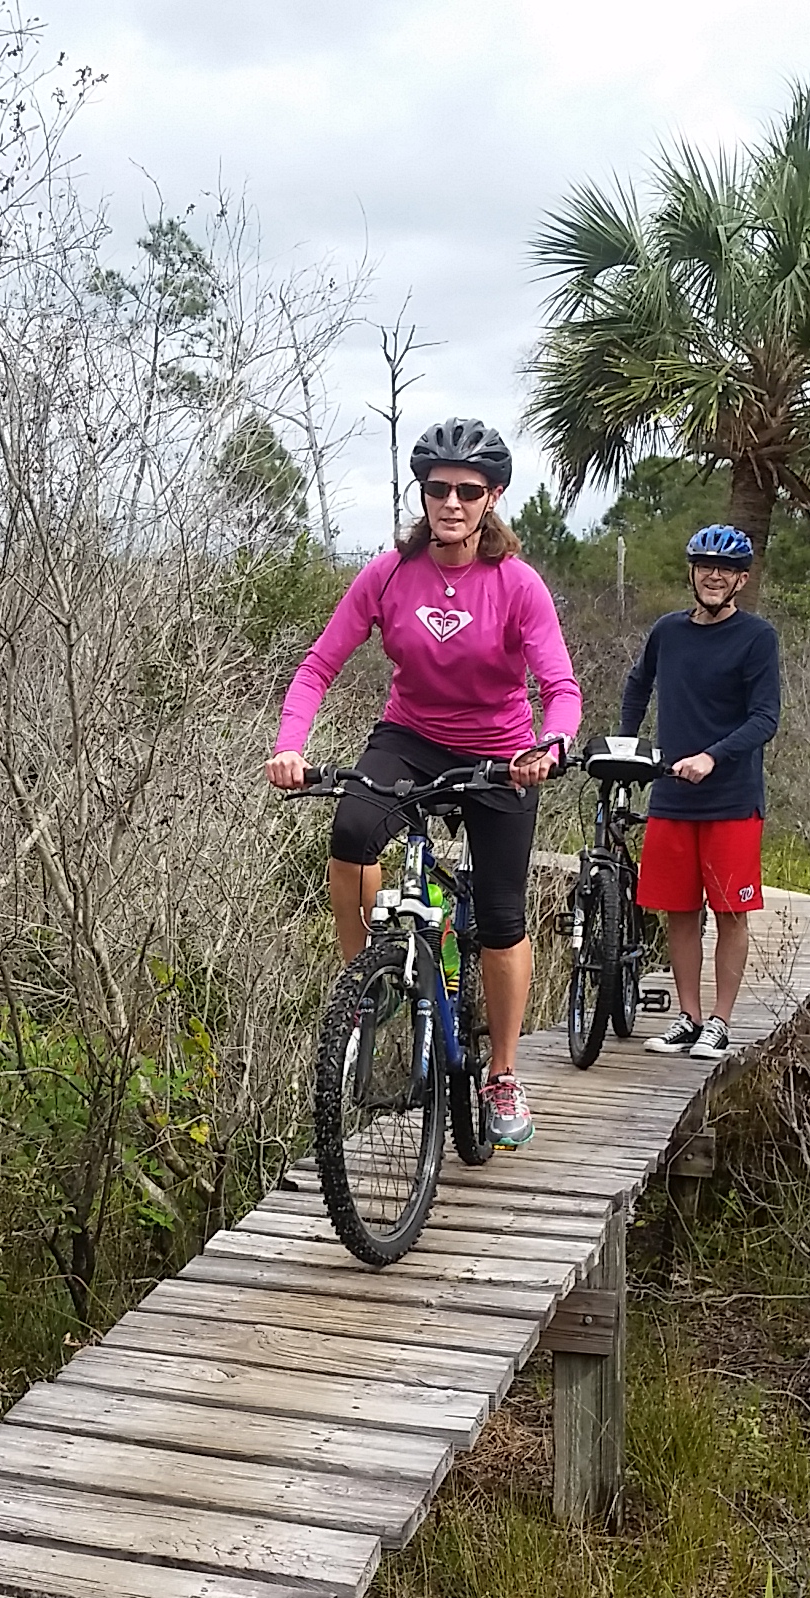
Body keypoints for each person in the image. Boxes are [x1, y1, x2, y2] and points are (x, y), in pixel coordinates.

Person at [264, 417, 580, 1147]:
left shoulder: (517, 584)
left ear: (493, 497)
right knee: (350, 830)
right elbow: (318, 666)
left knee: (501, 920)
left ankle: (503, 1074)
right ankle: (363, 988)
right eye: (438, 488)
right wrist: (289, 747)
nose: (452, 501)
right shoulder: (388, 574)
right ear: (423, 493)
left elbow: (559, 686)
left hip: (500, 754)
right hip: (410, 739)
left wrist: (551, 744)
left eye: (469, 490)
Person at [620, 523, 782, 1059]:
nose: (714, 575)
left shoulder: (756, 637)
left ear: (740, 579)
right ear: (692, 572)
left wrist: (713, 756)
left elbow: (765, 718)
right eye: (705, 565)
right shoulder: (668, 631)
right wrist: (626, 745)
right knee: (678, 910)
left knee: (731, 912)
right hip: (671, 795)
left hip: (731, 798)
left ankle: (720, 1020)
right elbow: (639, 682)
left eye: (726, 569)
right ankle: (687, 1017)